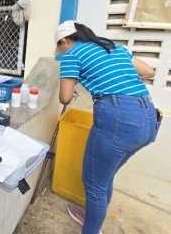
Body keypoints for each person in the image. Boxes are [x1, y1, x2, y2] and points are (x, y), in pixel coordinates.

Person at [55, 21, 158, 234]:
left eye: (60, 46)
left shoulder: (71, 55)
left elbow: (65, 98)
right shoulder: (111, 46)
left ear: (64, 41)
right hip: (148, 117)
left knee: (94, 184)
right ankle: (93, 217)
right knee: (104, 177)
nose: (61, 50)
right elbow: (149, 72)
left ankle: (92, 230)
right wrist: (117, 84)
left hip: (118, 119)